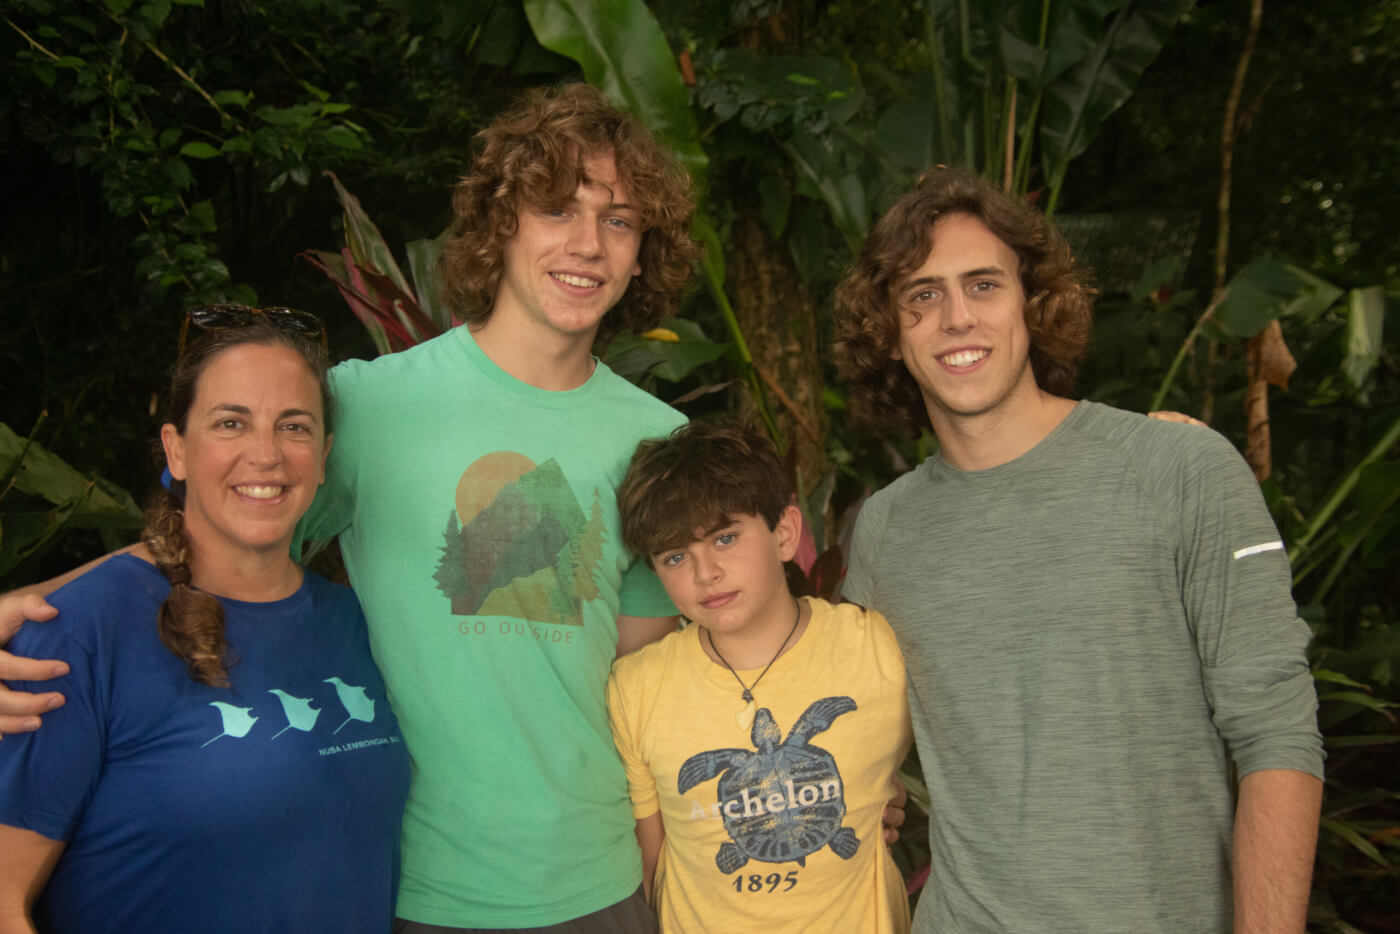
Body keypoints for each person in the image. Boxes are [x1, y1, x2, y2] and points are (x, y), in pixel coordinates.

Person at [0, 83, 700, 932]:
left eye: (619, 220)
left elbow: (644, 693)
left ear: (640, 253)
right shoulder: (367, 406)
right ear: (501, 223)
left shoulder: (660, 438)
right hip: (412, 887)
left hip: (598, 884)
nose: (587, 244)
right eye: (558, 209)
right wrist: (30, 614)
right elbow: (206, 535)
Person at [832, 167, 1325, 933]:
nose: (956, 317)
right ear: (890, 335)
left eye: (984, 285)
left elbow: (1278, 739)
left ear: (1032, 304)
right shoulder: (884, 530)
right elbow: (855, 733)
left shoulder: (1179, 470)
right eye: (921, 296)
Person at [0, 308, 410, 933]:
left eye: (293, 427)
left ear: (324, 456)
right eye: (230, 423)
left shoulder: (348, 619)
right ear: (177, 449)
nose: (266, 455)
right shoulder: (81, 631)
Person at [607, 421, 912, 934]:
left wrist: (882, 791)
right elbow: (652, 854)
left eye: (725, 538)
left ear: (785, 533)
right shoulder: (637, 687)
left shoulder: (875, 648)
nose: (705, 573)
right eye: (676, 556)